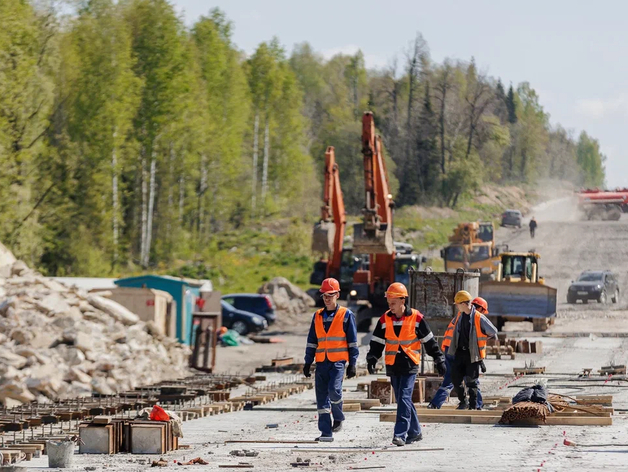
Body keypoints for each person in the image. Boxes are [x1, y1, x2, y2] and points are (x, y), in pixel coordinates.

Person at [366, 283, 446, 446]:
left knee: (403, 397)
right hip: (393, 366)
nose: (390, 306)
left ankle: (400, 434)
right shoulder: (384, 319)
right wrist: (372, 358)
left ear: (403, 300)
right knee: (404, 400)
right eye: (389, 303)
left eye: (393, 303)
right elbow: (377, 342)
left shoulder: (416, 318)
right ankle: (415, 432)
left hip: (410, 365)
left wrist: (439, 359)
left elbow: (429, 342)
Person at [303, 278, 359, 442]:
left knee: (334, 391)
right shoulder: (317, 316)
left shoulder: (346, 315)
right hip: (321, 362)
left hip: (337, 362)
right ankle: (326, 433)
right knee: (321, 398)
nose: (327, 298)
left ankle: (339, 417)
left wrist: (353, 363)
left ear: (337, 295)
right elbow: (312, 341)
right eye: (324, 295)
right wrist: (307, 361)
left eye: (330, 295)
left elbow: (353, 342)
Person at [428, 296, 490, 409]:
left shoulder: (462, 316)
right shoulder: (470, 317)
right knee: (467, 379)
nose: (483, 314)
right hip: (455, 350)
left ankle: (436, 403)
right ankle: (476, 404)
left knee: (455, 378)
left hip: (450, 348)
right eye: (483, 311)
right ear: (479, 308)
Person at [448, 290, 498, 410]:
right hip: (460, 352)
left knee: (472, 382)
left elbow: (493, 331)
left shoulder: (478, 317)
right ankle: (463, 401)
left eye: (458, 304)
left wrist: (481, 338)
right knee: (455, 378)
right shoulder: (459, 316)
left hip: (472, 354)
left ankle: (473, 405)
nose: (457, 307)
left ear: (464, 304)